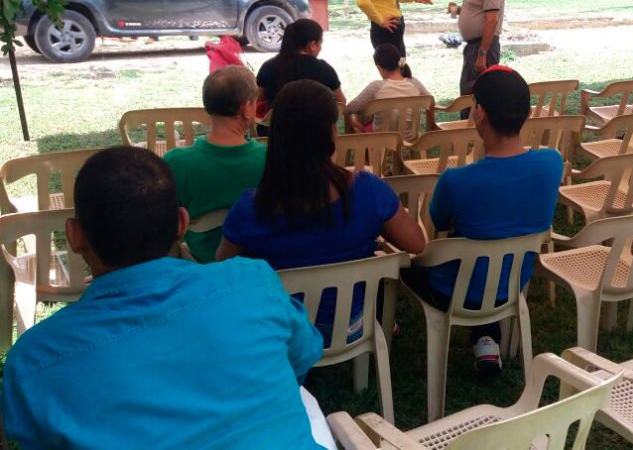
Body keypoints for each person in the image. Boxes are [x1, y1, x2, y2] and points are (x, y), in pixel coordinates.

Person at [0, 147, 327, 449]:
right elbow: (303, 352)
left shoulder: (33, 362)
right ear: (181, 223)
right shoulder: (253, 283)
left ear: (74, 235)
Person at [217, 79, 425, 345]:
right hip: (352, 327)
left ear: (276, 134)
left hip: (282, 335)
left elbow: (223, 268)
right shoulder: (368, 191)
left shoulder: (250, 208)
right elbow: (416, 242)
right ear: (331, 132)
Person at [400, 66, 563, 375]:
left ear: (480, 114)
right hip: (513, 282)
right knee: (487, 254)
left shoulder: (456, 181)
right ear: (527, 113)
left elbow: (438, 221)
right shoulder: (551, 164)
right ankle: (487, 340)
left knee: (405, 262)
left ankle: (388, 330)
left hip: (455, 292)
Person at [163, 67, 266, 264]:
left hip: (200, 266)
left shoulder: (175, 163)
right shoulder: (270, 159)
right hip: (257, 268)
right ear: (246, 109)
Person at [449, 0, 505, 110]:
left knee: (480, 97)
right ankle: (468, 132)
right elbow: (477, 10)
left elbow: (492, 20)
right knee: (468, 94)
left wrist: (482, 55)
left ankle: (476, 133)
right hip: (473, 46)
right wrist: (459, 10)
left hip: (483, 46)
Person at [256, 18, 345, 119]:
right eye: (320, 43)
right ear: (312, 45)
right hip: (317, 131)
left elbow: (257, 101)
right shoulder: (324, 69)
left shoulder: (268, 67)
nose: (321, 48)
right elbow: (341, 103)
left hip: (275, 130)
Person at [346, 43, 433, 135]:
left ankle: (367, 145)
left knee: (354, 118)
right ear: (399, 63)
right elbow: (431, 101)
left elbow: (350, 108)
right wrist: (431, 126)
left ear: (379, 68)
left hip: (381, 140)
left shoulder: (375, 87)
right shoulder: (415, 83)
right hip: (410, 138)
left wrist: (369, 110)